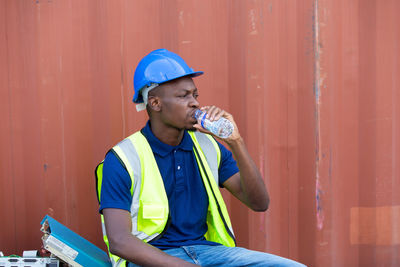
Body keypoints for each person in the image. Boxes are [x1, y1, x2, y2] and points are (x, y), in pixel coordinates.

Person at [95, 49, 306, 267]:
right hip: (154, 260)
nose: (195, 103)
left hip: (210, 255)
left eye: (195, 95)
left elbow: (259, 202)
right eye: (183, 96)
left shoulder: (209, 147)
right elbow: (119, 241)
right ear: (155, 103)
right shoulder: (123, 158)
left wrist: (236, 141)